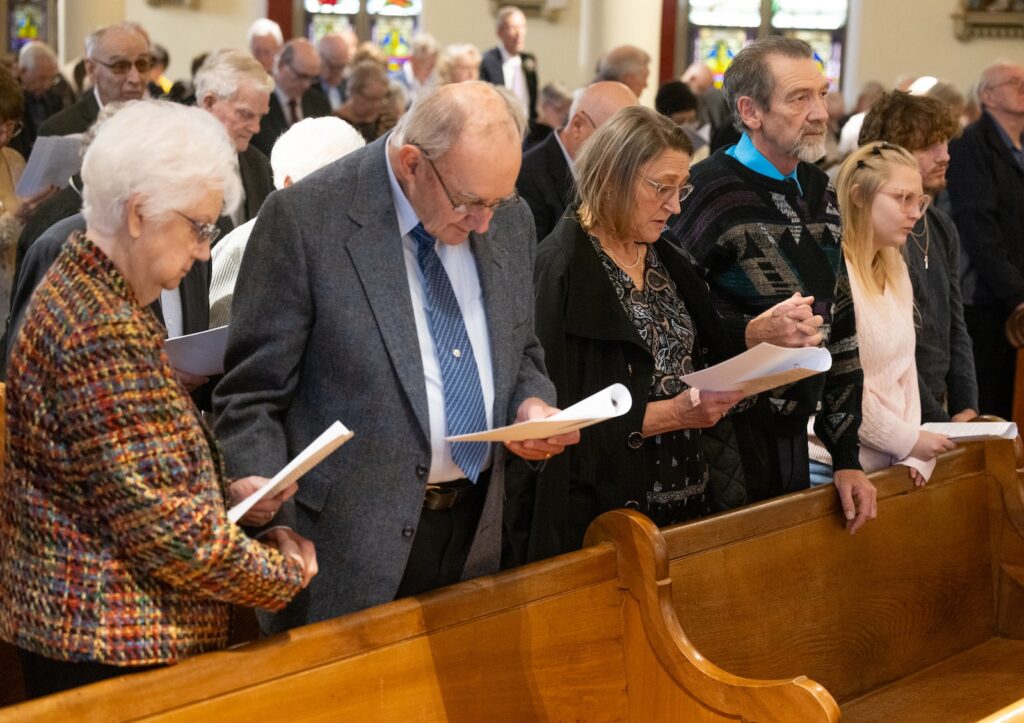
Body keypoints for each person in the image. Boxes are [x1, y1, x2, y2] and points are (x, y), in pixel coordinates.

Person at [213, 82, 577, 633]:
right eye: (469, 203)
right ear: (412, 163)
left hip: (476, 529)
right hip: (343, 549)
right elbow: (252, 393)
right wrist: (262, 495)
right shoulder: (307, 219)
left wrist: (531, 406)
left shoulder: (508, 215)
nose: (484, 222)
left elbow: (521, 347)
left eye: (495, 202)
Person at [0, 100, 316, 700]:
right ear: (139, 213)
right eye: (199, 227)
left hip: (110, 636)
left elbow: (124, 482)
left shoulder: (97, 296)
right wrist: (285, 572)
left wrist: (225, 498)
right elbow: (166, 531)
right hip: (110, 645)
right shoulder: (96, 328)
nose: (204, 251)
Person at [525, 106, 764, 559]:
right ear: (612, 177)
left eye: (681, 188)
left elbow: (701, 354)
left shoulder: (668, 257)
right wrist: (672, 414)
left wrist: (755, 340)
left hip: (692, 495)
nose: (675, 206)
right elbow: (556, 417)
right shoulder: (560, 268)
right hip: (608, 512)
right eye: (661, 188)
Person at [667, 36, 876, 533]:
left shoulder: (822, 192)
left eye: (822, 94)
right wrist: (748, 331)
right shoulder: (704, 191)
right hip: (717, 437)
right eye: (799, 98)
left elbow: (841, 329)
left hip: (794, 438)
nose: (820, 112)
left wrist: (846, 455)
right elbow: (668, 322)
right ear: (750, 111)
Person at [809, 142, 956, 488]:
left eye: (919, 201)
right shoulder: (831, 271)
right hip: (830, 461)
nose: (915, 213)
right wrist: (907, 441)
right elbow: (839, 383)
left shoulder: (895, 268)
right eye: (902, 199)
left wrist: (913, 447)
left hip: (887, 458)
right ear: (859, 196)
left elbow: (905, 372)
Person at [858, 91, 978, 424]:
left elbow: (956, 325)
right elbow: (886, 349)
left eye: (945, 143)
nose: (946, 156)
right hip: (890, 409)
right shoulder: (877, 229)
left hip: (937, 405)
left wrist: (967, 405)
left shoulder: (940, 225)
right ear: (892, 154)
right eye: (929, 147)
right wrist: (937, 419)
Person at [210, 116, 365, 326]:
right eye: (333, 186)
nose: (347, 198)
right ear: (289, 185)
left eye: (355, 182)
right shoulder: (242, 248)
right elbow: (216, 342)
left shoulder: (366, 237)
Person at [946, 61, 1024, 421]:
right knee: (994, 402)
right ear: (987, 95)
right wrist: (1016, 295)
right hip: (990, 301)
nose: (1022, 86)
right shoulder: (971, 145)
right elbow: (979, 227)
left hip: (1014, 295)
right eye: (1013, 82)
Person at [516, 80, 637, 241]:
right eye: (614, 142)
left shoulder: (619, 174)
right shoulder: (527, 176)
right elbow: (537, 259)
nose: (623, 155)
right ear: (578, 125)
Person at [194, 49, 276, 232]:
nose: (255, 128)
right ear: (209, 103)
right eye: (245, 114)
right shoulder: (175, 163)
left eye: (260, 117)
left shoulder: (259, 164)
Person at [39, 23, 150, 137]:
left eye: (142, 64)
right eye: (120, 66)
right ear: (91, 69)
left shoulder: (158, 124)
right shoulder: (60, 131)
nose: (135, 79)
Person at [251, 39, 332, 156]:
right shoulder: (260, 100)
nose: (306, 84)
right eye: (301, 76)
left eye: (312, 78)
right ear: (281, 65)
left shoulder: (319, 102)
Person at [9, 41, 66, 160]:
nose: (47, 85)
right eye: (42, 78)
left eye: (52, 78)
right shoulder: (11, 102)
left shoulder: (54, 99)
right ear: (23, 71)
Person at [479, 6, 537, 123]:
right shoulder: (488, 61)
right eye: (513, 28)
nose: (519, 33)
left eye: (522, 27)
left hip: (527, 128)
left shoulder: (529, 60)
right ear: (500, 32)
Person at [0, 68, 27, 314]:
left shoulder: (14, 160)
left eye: (11, 127)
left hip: (15, 295)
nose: (5, 137)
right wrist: (19, 215)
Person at [335, 60, 392, 143]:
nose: (377, 105)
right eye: (371, 99)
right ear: (353, 92)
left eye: (381, 99)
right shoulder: (337, 123)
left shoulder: (386, 118)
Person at [655, 80, 710, 164]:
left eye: (691, 120)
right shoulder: (653, 148)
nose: (687, 127)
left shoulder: (702, 148)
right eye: (680, 121)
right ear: (663, 120)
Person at [314, 32, 352, 111]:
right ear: (319, 59)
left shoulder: (348, 86)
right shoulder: (307, 85)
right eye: (333, 67)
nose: (339, 73)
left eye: (342, 67)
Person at [397, 33, 439, 105]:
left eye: (433, 64)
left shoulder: (436, 81)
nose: (431, 69)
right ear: (413, 60)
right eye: (426, 64)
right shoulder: (397, 82)